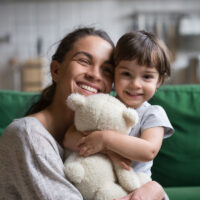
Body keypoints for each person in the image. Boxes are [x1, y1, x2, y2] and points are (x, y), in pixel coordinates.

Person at [0, 27, 165, 200]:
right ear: (56, 70)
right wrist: (155, 191)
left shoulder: (97, 128)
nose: (95, 75)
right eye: (84, 61)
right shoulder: (28, 134)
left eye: (106, 70)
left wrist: (155, 190)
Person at [67, 30, 174, 200]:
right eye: (126, 74)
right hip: (105, 188)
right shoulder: (102, 105)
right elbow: (69, 138)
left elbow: (149, 150)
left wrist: (105, 140)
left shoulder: (152, 113)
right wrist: (105, 150)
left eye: (147, 76)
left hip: (140, 189)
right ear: (114, 73)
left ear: (159, 80)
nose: (135, 84)